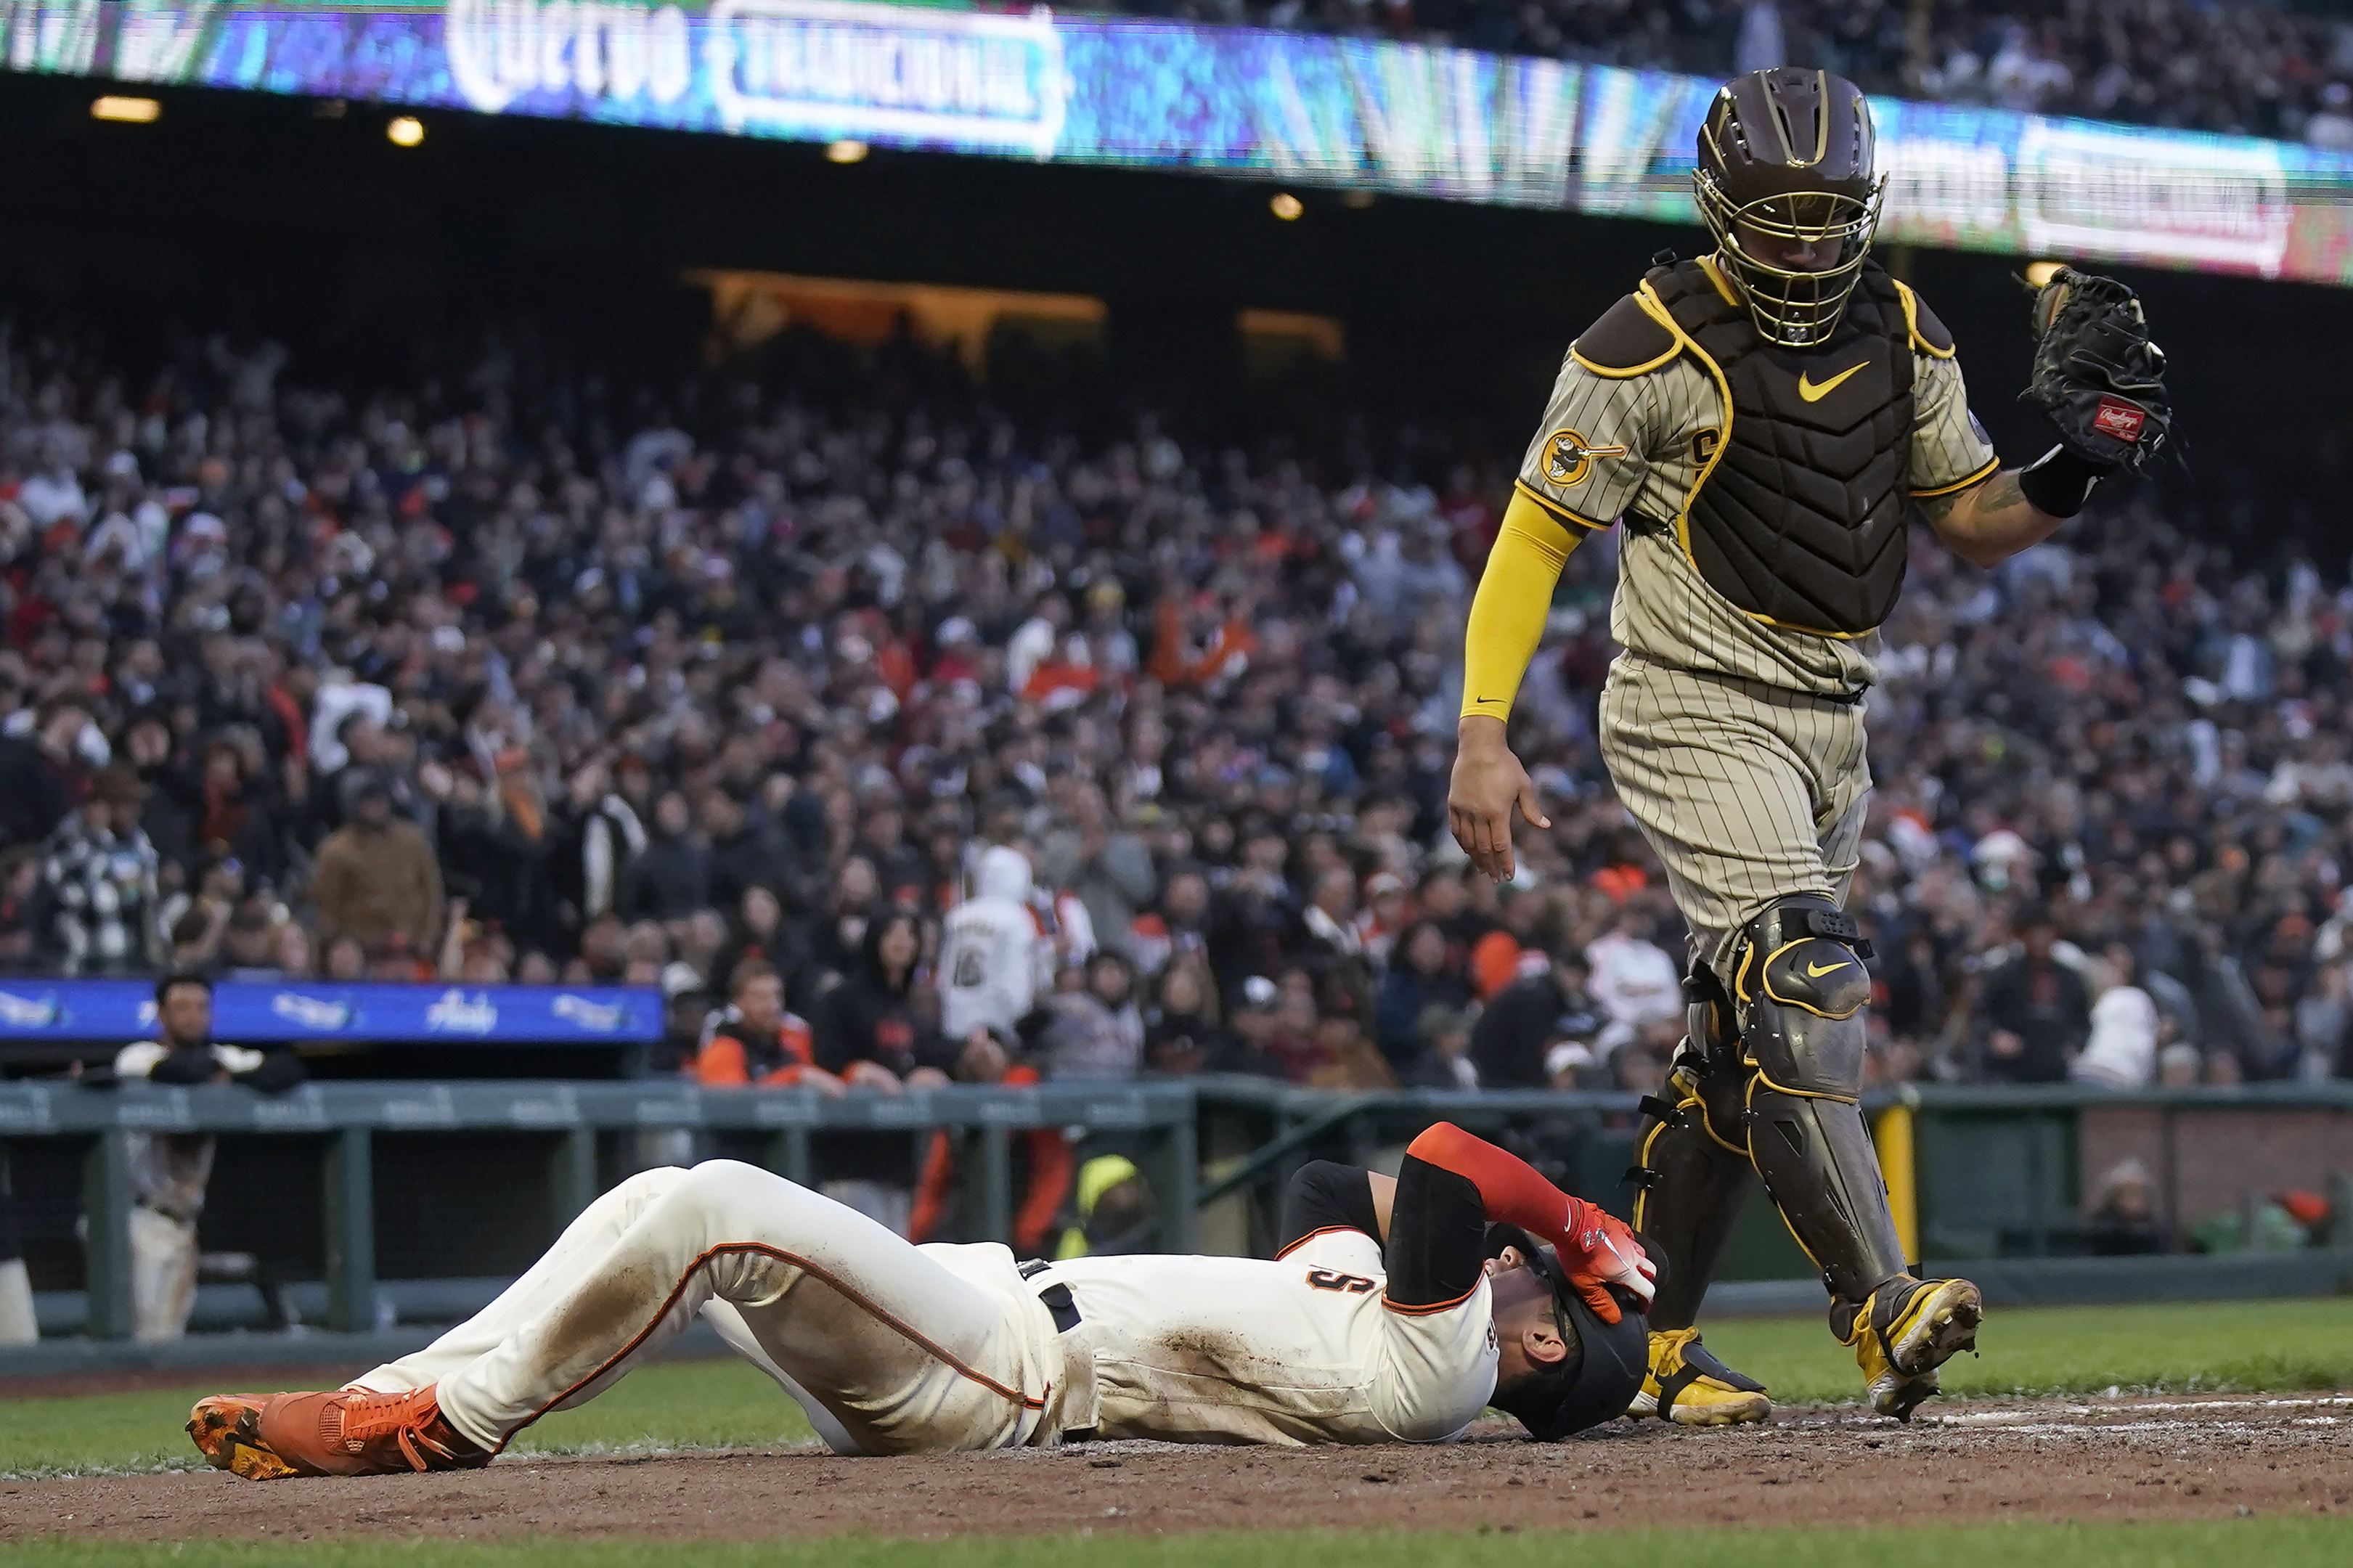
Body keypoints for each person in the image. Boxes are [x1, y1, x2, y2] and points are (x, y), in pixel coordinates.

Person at [1445, 70, 2168, 1424]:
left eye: (1829, 218)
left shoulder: (1904, 327)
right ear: (1722, 210)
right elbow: (1537, 534)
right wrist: (1483, 728)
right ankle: (1879, 1302)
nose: (1805, 246)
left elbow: (1969, 515)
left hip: (1834, 718)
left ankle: (1644, 1339)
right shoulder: (1643, 341)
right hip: (1690, 695)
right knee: (1806, 966)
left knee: (1734, 1054)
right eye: (1777, 220)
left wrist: (2074, 467)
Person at [184, 1121, 1655, 1479]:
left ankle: (452, 1425)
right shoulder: (1391, 1309)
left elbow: (1449, 1164)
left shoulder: (1448, 1363)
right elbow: (1332, 1183)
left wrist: (1579, 1226)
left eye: (1545, 1289)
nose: (1528, 1265)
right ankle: (408, 1397)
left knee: (708, 1208)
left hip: (1003, 1374)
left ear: (1535, 1343)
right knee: (660, 1201)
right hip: (985, 1321)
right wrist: (1581, 1265)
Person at [112, 973, 306, 1342]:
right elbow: (178, 1072)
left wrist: (227, 1072)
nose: (192, 1016)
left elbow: (288, 1069)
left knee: (167, 1338)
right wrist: (230, 1074)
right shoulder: (138, 1056)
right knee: (139, 1339)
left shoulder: (220, 1058)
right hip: (135, 1216)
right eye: (181, 1007)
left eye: (201, 1007)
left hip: (183, 1222)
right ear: (161, 1015)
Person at [311, 778, 446, 957]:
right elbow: (328, 907)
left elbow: (432, 892)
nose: (375, 809)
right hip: (362, 949)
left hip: (411, 945)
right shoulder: (336, 850)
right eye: (369, 803)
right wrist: (342, 947)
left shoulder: (413, 842)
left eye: (379, 802)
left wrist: (427, 939)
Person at [937, 845, 1051, 1049]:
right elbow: (1015, 978)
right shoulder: (1017, 919)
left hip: (954, 1020)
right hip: (999, 1027)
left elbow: (944, 973)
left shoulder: (958, 915)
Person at [1977, 903, 2093, 1083]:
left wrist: (2074, 1045)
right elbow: (1981, 1014)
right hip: (2009, 1068)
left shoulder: (2071, 980)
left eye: (2047, 933)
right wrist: (1995, 1036)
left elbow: (2082, 1022)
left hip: (2056, 1067)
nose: (2041, 940)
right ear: (2024, 937)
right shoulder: (2004, 975)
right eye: (2035, 934)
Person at [693, 961, 843, 1093]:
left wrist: (853, 1075)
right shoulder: (723, 1048)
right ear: (739, 1002)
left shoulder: (795, 1041)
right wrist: (794, 1076)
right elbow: (735, 1106)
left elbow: (826, 1082)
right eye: (760, 998)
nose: (773, 1006)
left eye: (777, 996)